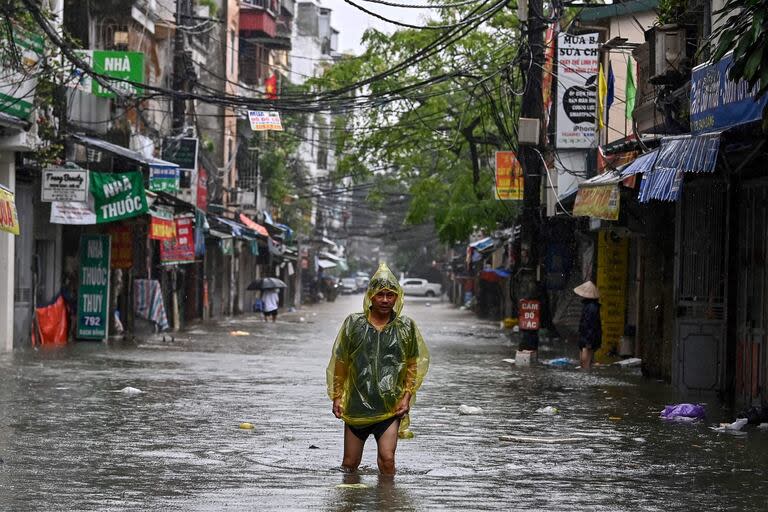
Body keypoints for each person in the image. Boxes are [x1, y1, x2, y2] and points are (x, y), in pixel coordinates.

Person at [327, 263, 429, 476]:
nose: (385, 300)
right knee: (350, 464)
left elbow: (413, 365)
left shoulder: (406, 327)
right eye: (380, 294)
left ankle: (388, 502)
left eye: (390, 295)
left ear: (397, 298)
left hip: (390, 407)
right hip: (356, 405)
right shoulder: (353, 324)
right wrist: (337, 396)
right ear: (370, 296)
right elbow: (341, 362)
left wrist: (406, 397)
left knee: (387, 460)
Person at [574, 280, 601, 369]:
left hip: (587, 332)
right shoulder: (592, 306)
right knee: (586, 349)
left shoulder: (589, 306)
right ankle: (585, 367)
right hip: (589, 332)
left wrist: (588, 334)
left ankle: (584, 368)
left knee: (585, 349)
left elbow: (589, 322)